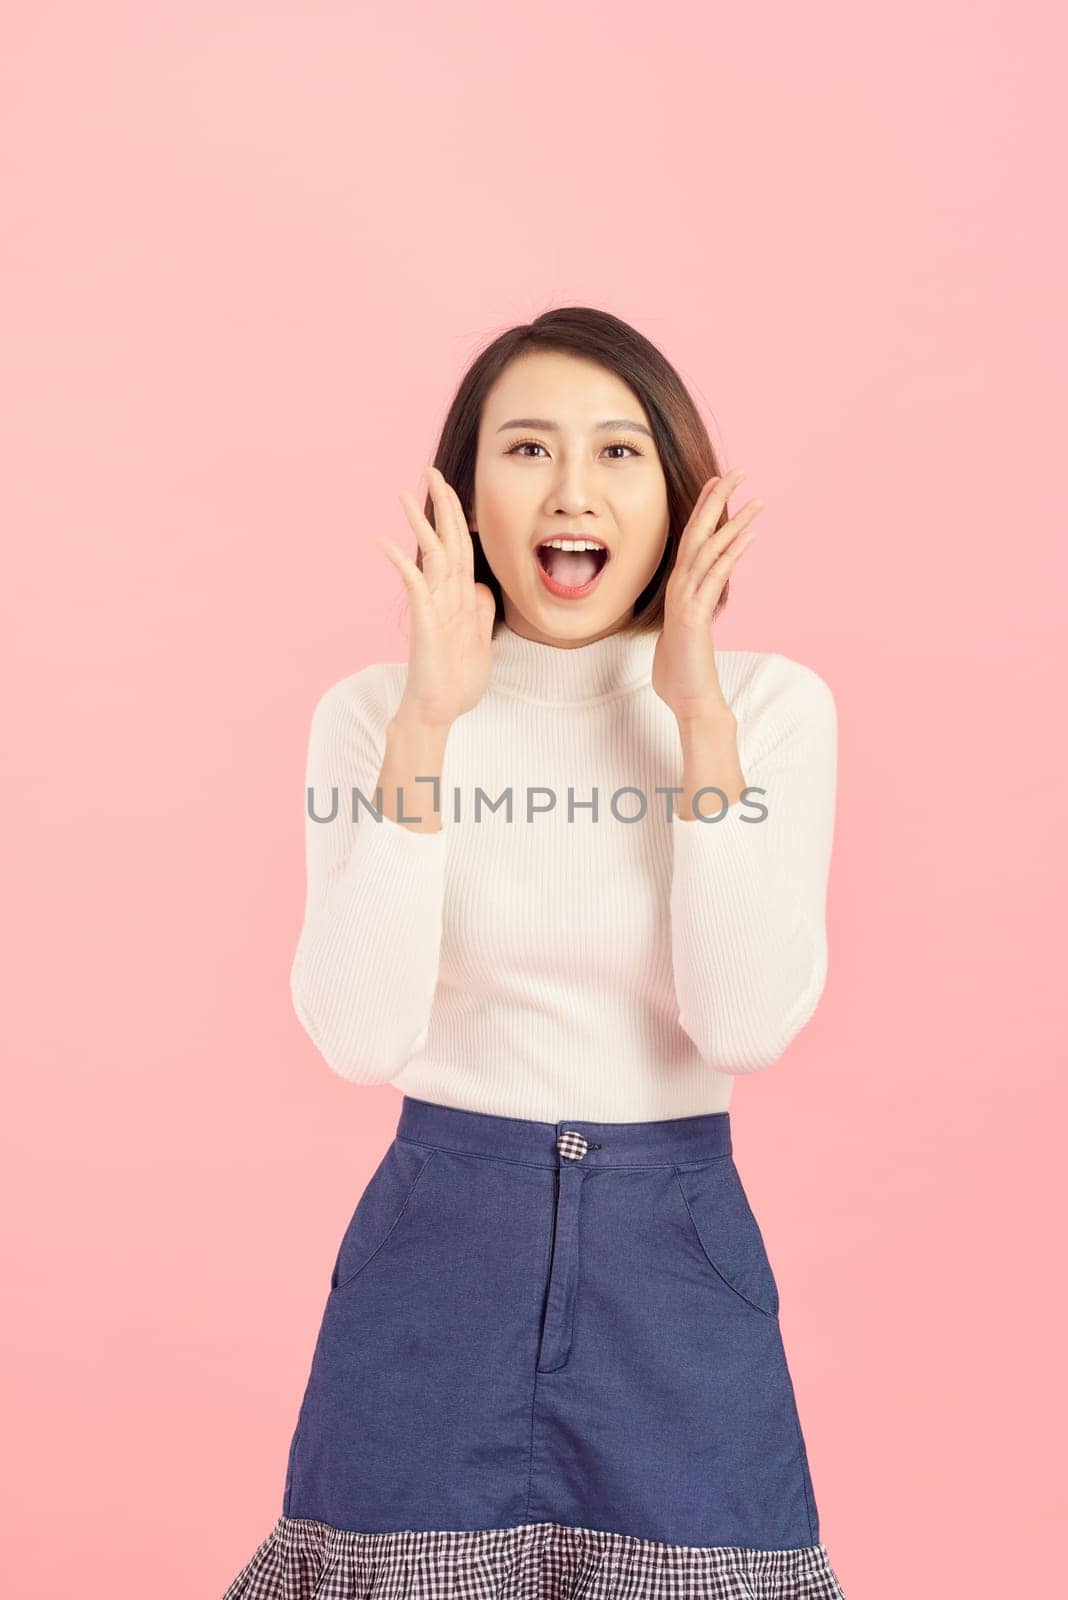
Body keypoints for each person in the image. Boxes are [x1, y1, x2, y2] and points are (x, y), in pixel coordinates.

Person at [221, 306, 847, 1599]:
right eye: (527, 449)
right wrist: (429, 724)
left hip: (675, 1256)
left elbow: (744, 1027)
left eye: (621, 452)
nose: (574, 489)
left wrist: (695, 716)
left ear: (679, 496)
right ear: (463, 494)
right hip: (437, 1251)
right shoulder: (373, 715)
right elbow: (358, 1038)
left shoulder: (769, 709)